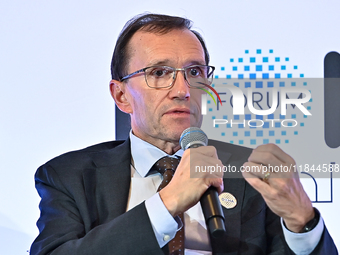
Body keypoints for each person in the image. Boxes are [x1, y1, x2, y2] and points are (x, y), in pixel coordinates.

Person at [30, 13, 337, 255]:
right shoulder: (70, 176)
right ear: (121, 95)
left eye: (195, 72)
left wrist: (303, 224)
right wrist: (166, 204)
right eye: (159, 73)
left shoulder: (250, 173)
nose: (182, 90)